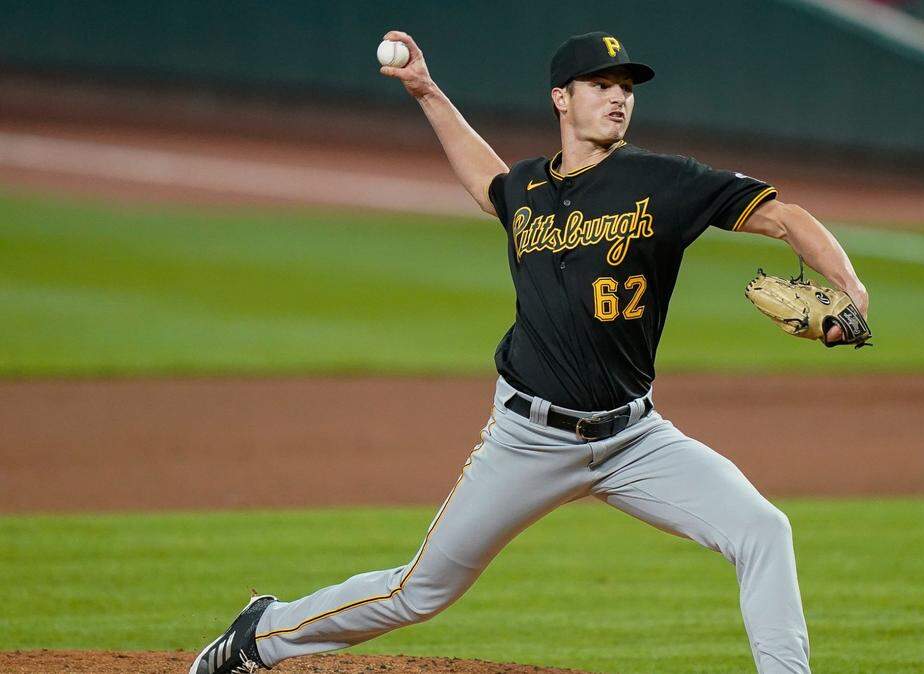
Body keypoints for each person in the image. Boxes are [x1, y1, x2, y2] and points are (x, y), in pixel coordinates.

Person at [189, 30, 869, 674]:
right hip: (527, 440)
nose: (618, 95)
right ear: (560, 98)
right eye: (598, 83)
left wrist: (848, 285)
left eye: (626, 85)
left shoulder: (666, 182)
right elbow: (488, 183)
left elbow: (784, 217)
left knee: (763, 530)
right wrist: (427, 91)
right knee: (418, 591)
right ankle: (264, 631)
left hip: (638, 439)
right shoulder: (529, 190)